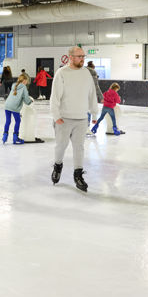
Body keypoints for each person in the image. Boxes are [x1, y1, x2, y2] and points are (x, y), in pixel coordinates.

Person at [49, 46, 100, 192]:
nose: (83, 59)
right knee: (61, 146)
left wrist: (94, 113)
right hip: (64, 119)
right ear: (70, 57)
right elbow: (55, 96)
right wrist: (56, 115)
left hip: (81, 118)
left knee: (79, 148)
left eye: (83, 56)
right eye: (79, 56)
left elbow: (92, 94)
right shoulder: (62, 73)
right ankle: (57, 166)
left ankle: (78, 175)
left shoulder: (86, 73)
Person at [3, 74, 33, 144]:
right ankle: (15, 137)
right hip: (14, 107)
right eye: (26, 81)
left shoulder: (14, 85)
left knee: (8, 121)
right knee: (18, 121)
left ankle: (5, 136)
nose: (27, 83)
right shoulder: (24, 87)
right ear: (24, 80)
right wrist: (30, 101)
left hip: (7, 105)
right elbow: (26, 99)